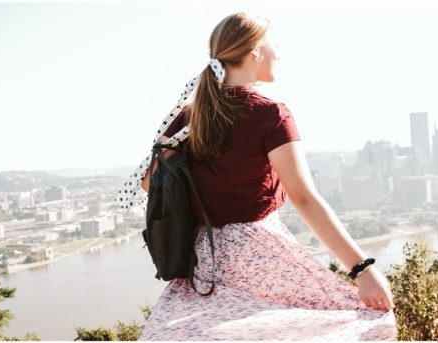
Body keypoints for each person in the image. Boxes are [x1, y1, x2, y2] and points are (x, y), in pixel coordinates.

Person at [120, 12, 397, 340]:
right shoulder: (270, 114)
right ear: (253, 53)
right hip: (260, 255)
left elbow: (149, 182)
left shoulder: (187, 117)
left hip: (202, 258)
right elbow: (305, 198)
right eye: (272, 44)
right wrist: (361, 269)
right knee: (360, 321)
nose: (278, 53)